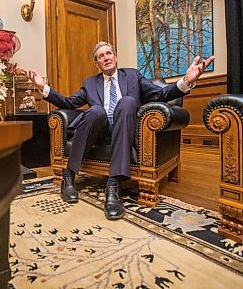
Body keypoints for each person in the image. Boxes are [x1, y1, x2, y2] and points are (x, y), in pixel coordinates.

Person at [26, 42, 215, 220]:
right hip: (99, 127)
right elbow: (68, 103)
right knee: (96, 110)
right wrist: (43, 87)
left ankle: (113, 184)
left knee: (127, 101)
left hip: (124, 126)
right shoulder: (90, 83)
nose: (106, 57)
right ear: (97, 63)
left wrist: (186, 81)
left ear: (115, 58)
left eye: (109, 53)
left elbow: (160, 94)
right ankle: (69, 175)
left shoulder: (133, 76)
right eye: (101, 56)